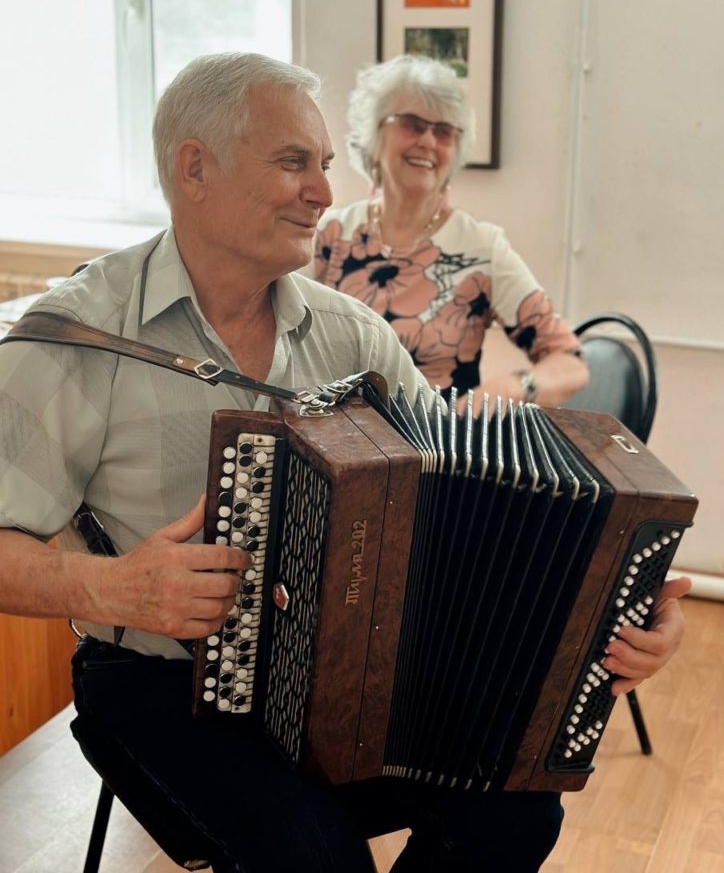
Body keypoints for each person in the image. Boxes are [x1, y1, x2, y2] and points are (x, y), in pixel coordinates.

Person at [0, 52, 689, 873]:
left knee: (518, 808)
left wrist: (614, 619)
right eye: (294, 162)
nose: (324, 192)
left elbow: (459, 509)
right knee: (314, 854)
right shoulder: (74, 337)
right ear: (195, 169)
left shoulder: (353, 336)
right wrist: (110, 587)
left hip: (350, 677)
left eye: (324, 164)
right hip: (159, 685)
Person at [310, 54, 589, 414]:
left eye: (444, 132)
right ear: (373, 135)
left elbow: (570, 363)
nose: (428, 141)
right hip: (333, 453)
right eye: (412, 124)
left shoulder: (481, 250)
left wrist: (513, 388)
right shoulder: (331, 236)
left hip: (437, 454)